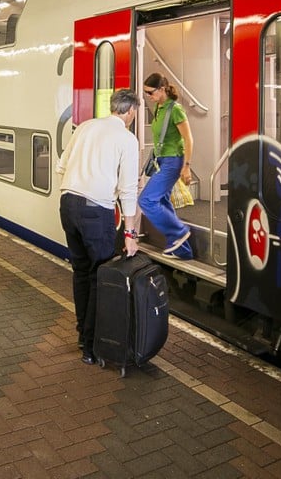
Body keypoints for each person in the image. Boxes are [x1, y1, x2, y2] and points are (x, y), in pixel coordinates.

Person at [56, 88, 141, 364]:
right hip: (96, 212)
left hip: (68, 204)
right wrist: (130, 234)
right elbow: (128, 190)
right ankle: (91, 347)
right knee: (98, 276)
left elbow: (62, 166)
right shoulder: (127, 139)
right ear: (130, 112)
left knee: (81, 272)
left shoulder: (86, 127)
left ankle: (83, 333)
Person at [139, 73, 194, 259]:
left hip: (173, 161)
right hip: (162, 161)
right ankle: (182, 250)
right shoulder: (159, 108)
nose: (148, 96)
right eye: (146, 93)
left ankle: (179, 232)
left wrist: (186, 166)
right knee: (162, 201)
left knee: (146, 200)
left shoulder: (175, 109)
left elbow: (188, 139)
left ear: (162, 89)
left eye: (151, 92)